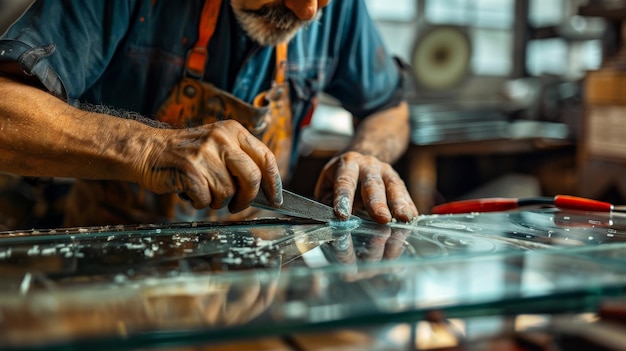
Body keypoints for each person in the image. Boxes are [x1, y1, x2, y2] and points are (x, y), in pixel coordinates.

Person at [0, 0, 418, 228]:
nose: (308, 11)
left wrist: (370, 154)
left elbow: (389, 108)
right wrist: (149, 149)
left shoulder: (335, 9)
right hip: (110, 272)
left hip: (253, 279)